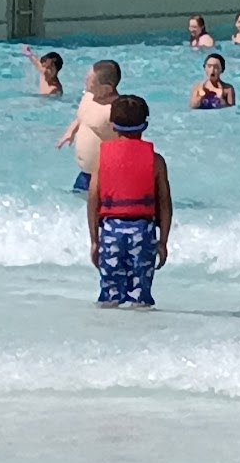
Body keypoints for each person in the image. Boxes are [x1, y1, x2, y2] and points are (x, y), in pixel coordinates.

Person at [87, 95, 171, 307]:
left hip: (111, 231)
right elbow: (165, 204)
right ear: (145, 125)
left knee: (110, 295)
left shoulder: (101, 158)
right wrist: (163, 241)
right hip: (143, 232)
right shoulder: (156, 161)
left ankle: (108, 324)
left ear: (113, 125)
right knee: (141, 296)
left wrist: (95, 241)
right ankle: (140, 325)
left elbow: (93, 200)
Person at [56, 59, 121, 192]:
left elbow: (127, 142)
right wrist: (70, 132)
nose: (85, 81)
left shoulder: (115, 111)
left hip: (103, 177)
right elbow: (82, 116)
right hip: (85, 174)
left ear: (106, 89)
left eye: (90, 81)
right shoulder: (89, 95)